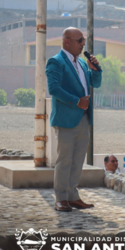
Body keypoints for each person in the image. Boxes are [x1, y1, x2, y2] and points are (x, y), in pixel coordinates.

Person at [46, 27, 102, 212]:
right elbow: (54, 89)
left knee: (78, 160)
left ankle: (73, 196)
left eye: (83, 40)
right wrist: (77, 101)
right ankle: (61, 198)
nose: (83, 44)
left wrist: (95, 70)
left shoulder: (83, 64)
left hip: (83, 118)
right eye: (79, 40)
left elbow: (96, 83)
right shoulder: (56, 62)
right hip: (66, 119)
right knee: (65, 160)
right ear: (66, 41)